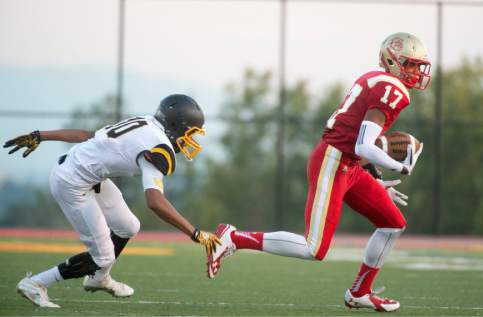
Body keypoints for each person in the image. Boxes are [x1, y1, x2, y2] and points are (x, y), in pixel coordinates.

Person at [207, 32, 430, 312]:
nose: (416, 72)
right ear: (392, 61)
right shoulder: (392, 89)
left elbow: (359, 140)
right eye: (410, 64)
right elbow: (363, 144)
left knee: (392, 223)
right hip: (333, 161)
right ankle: (233, 237)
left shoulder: (378, 80)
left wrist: (373, 177)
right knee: (315, 248)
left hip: (348, 164)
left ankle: (359, 292)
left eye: (418, 66)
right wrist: (400, 165)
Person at [3, 94, 221, 308]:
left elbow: (86, 135)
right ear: (177, 126)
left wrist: (40, 135)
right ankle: (36, 283)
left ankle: (98, 278)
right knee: (103, 257)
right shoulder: (159, 146)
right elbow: (154, 201)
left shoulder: (145, 122)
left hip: (85, 174)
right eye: (190, 133)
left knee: (128, 226)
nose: (191, 141)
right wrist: (195, 233)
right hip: (72, 182)